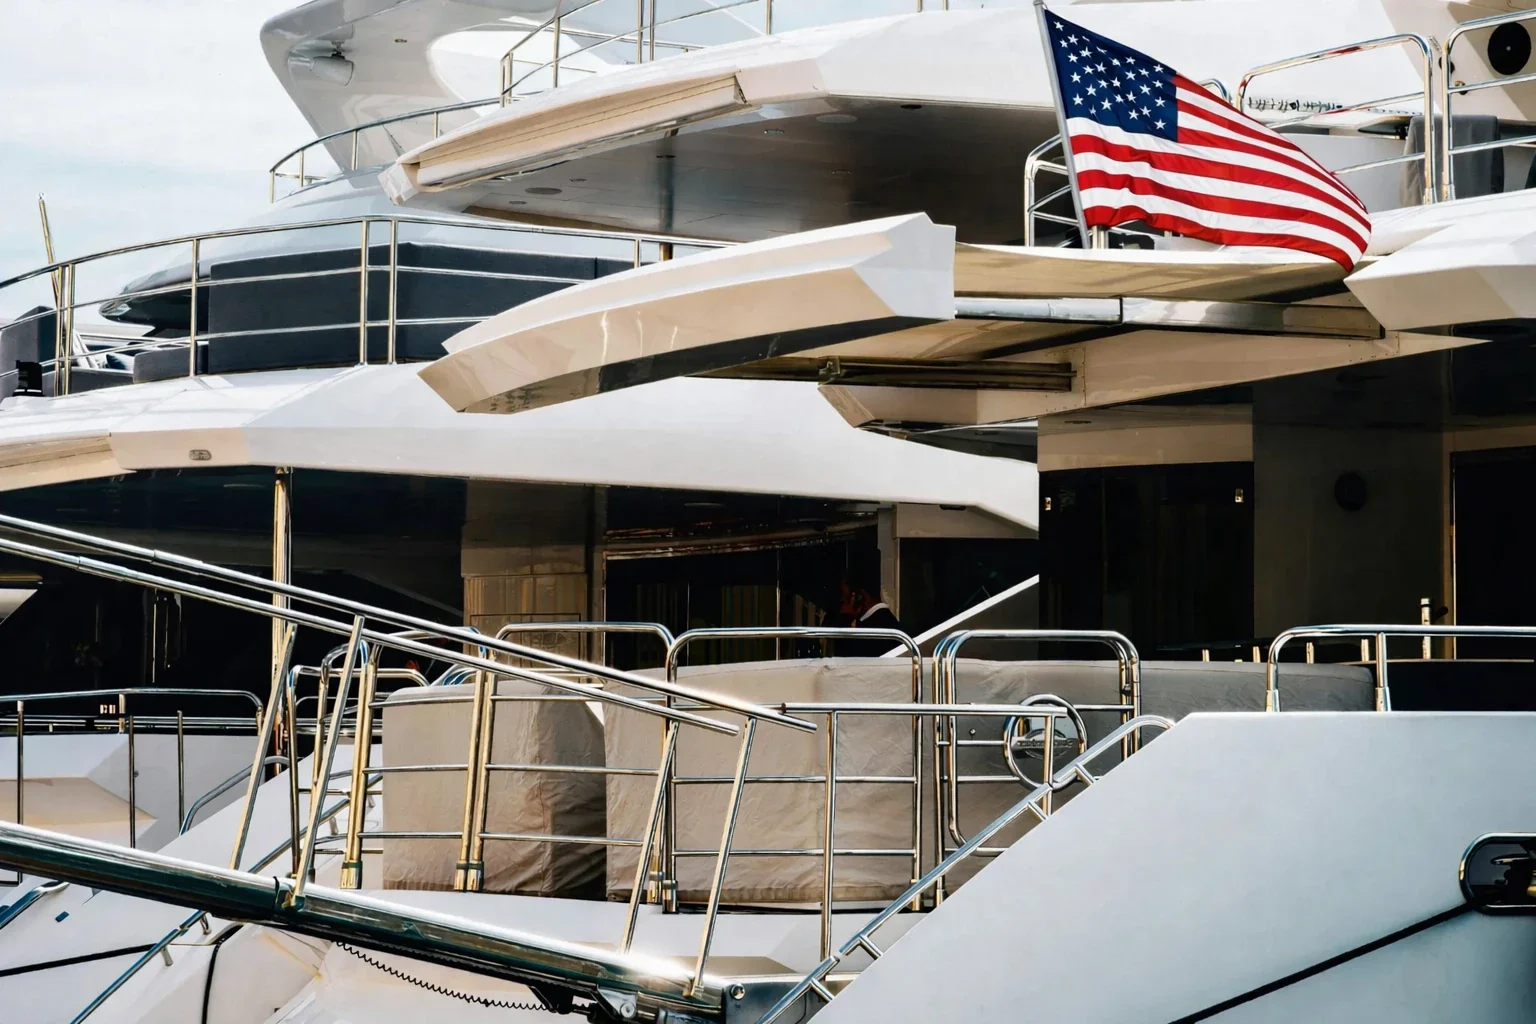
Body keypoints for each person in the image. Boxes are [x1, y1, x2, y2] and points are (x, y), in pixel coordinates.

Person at [830, 578, 904, 656]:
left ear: (860, 597)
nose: (842, 602)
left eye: (846, 597)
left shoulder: (872, 629)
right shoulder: (887, 621)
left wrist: (844, 620)